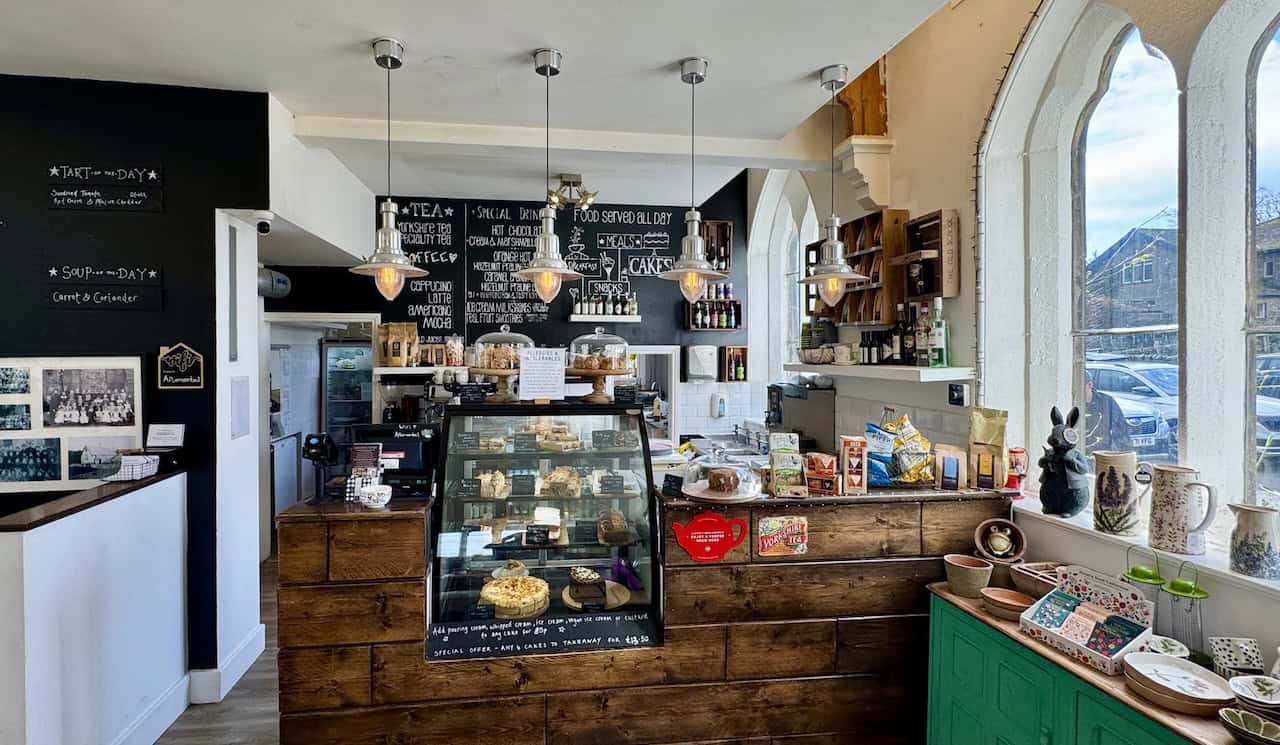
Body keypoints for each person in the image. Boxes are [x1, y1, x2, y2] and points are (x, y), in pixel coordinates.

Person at [1084, 371, 1131, 455]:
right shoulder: (1071, 403)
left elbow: (1121, 430)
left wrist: (1121, 455)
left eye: (1079, 387)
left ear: (1090, 385)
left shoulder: (1106, 402)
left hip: (1103, 454)